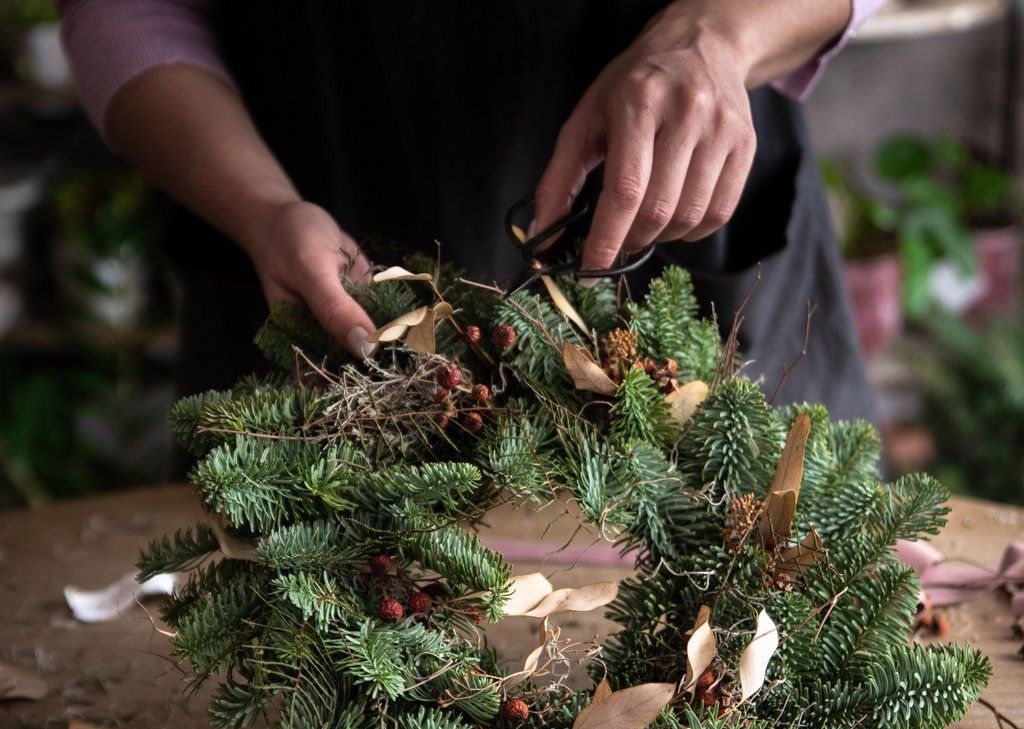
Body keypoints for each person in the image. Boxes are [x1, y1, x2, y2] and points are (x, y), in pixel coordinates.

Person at [58, 0, 884, 422]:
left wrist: (722, 31)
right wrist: (260, 205)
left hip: (691, 224)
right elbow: (123, 12)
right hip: (305, 245)